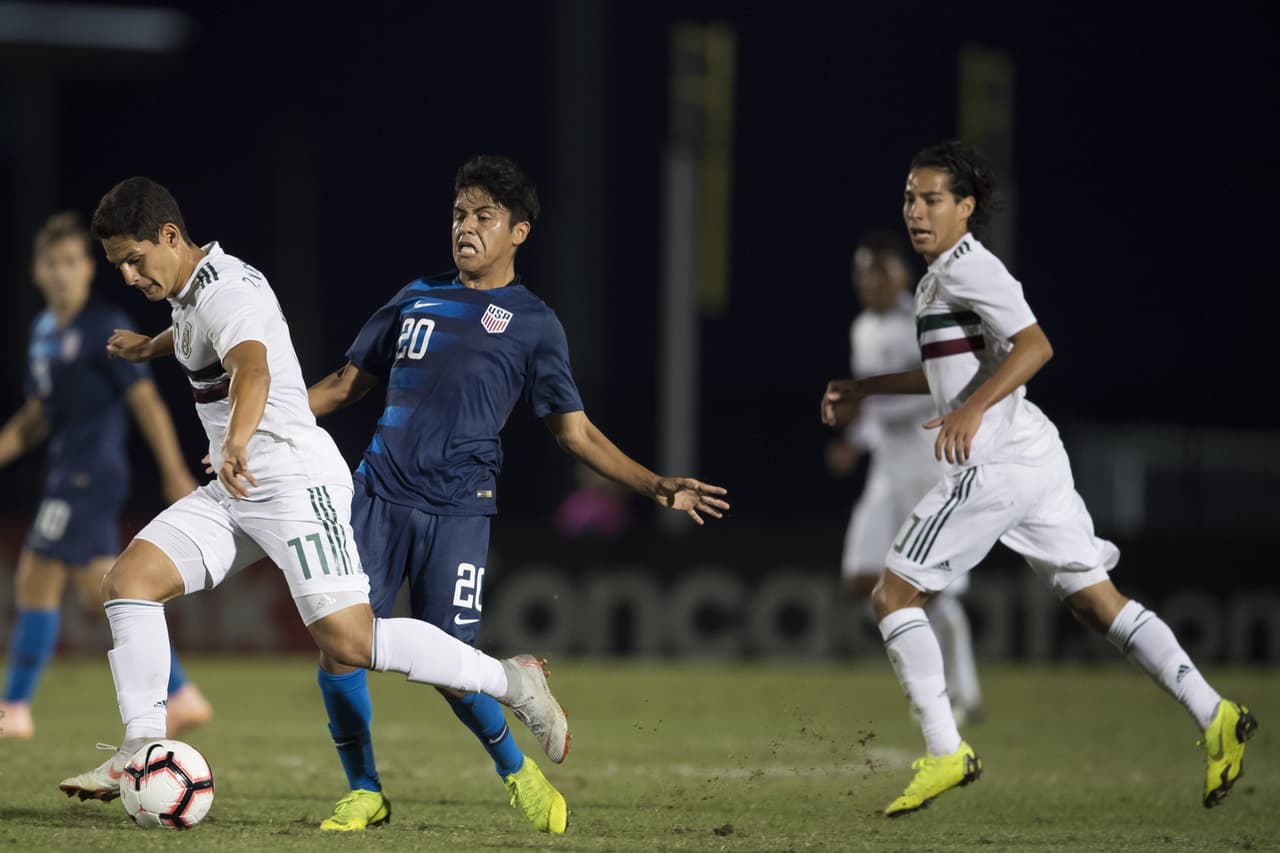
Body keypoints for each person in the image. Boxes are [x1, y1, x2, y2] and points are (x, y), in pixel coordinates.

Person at [57, 177, 570, 805]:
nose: (130, 276)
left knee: (350, 641)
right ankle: (141, 747)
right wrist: (150, 348)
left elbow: (251, 366)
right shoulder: (191, 292)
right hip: (238, 487)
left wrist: (237, 441)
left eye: (135, 260)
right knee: (129, 582)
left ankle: (511, 681)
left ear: (170, 236)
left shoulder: (229, 292)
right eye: (120, 266)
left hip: (295, 481)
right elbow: (196, 332)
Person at [821, 141, 1257, 816]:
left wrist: (972, 409)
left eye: (932, 199)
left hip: (995, 461)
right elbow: (945, 372)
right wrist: (864, 386)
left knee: (893, 594)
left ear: (965, 207)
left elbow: (1036, 344)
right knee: (1096, 602)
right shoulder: (939, 279)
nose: (916, 211)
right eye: (910, 197)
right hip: (1032, 454)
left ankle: (945, 750)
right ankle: (1215, 712)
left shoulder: (971, 267)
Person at [305, 155, 729, 835]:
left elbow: (573, 432)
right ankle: (365, 791)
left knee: (451, 667)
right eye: (458, 214)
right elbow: (343, 384)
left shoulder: (533, 323)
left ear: (519, 232)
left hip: (459, 508)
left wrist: (654, 484)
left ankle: (519, 774)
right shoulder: (416, 296)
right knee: (339, 645)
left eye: (483, 216)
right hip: (377, 494)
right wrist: (256, 424)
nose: (465, 228)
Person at [0, 212, 209, 741]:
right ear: (37, 270)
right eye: (53, 263)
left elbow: (146, 401)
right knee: (97, 592)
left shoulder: (102, 326)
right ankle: (181, 694)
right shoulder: (43, 334)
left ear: (89, 269)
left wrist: (173, 471)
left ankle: (14, 710)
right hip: (64, 474)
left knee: (50, 579)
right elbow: (37, 418)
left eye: (72, 261)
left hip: (91, 475)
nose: (63, 272)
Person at [826, 230, 981, 723]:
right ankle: (931, 676)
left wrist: (866, 400)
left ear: (898, 274)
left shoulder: (923, 319)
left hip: (929, 465)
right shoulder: (861, 329)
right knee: (859, 577)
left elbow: (941, 386)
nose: (867, 281)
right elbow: (875, 409)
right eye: (860, 273)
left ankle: (962, 694)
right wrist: (854, 440)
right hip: (886, 471)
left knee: (937, 587)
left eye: (876, 271)